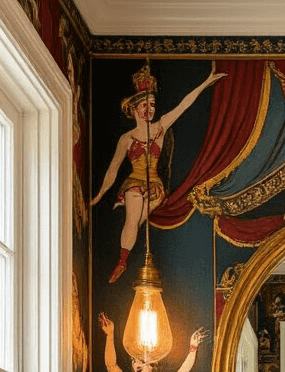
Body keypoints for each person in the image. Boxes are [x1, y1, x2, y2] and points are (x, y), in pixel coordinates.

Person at [91, 62, 224, 282]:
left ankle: (125, 252)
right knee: (133, 215)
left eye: (152, 104)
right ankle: (122, 261)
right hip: (133, 182)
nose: (150, 109)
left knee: (137, 220)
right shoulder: (126, 139)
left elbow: (183, 106)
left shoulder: (160, 127)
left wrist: (205, 83)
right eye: (145, 105)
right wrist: (99, 195)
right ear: (134, 109)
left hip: (155, 185)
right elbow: (113, 170)